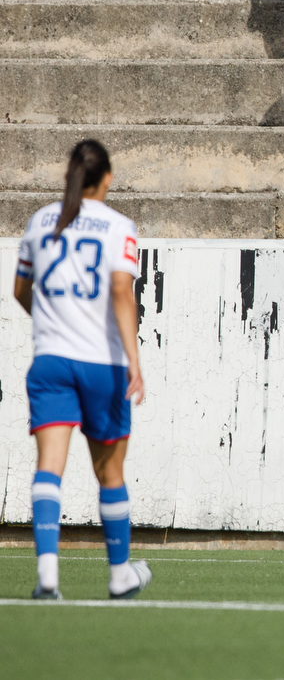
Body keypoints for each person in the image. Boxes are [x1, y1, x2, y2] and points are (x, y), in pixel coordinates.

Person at [14, 139, 153, 599]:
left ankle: (48, 578)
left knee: (48, 468)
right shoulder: (119, 226)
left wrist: (54, 324)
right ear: (107, 178)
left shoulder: (39, 221)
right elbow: (119, 292)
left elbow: (21, 289)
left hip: (50, 362)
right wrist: (135, 361)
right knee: (109, 474)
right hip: (102, 365)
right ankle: (118, 576)